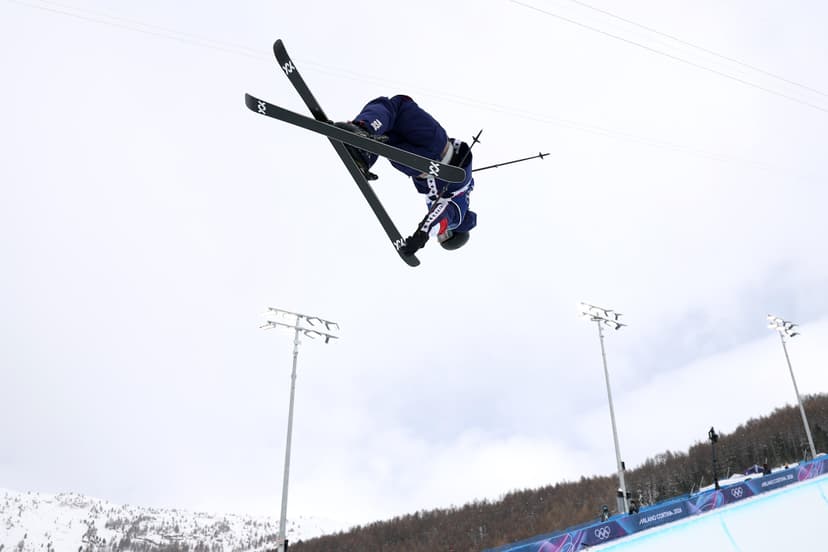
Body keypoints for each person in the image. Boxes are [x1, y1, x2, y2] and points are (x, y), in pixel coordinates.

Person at [335, 95, 477, 255]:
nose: (442, 232)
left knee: (391, 116)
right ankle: (363, 139)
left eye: (440, 237)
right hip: (432, 154)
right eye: (447, 234)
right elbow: (442, 215)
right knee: (397, 109)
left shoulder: (463, 194)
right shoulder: (457, 217)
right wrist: (422, 234)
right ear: (458, 231)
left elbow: (441, 211)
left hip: (425, 156)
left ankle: (363, 142)